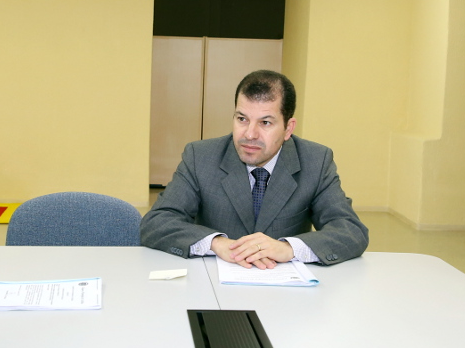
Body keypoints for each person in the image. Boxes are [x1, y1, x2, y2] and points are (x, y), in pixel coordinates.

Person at [141, 70, 368, 267]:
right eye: (242, 119)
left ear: (288, 128)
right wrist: (216, 243)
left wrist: (288, 248)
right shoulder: (200, 157)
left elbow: (350, 230)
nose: (249, 134)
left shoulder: (316, 161)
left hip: (286, 292)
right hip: (212, 284)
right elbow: (157, 222)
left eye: (265, 122)